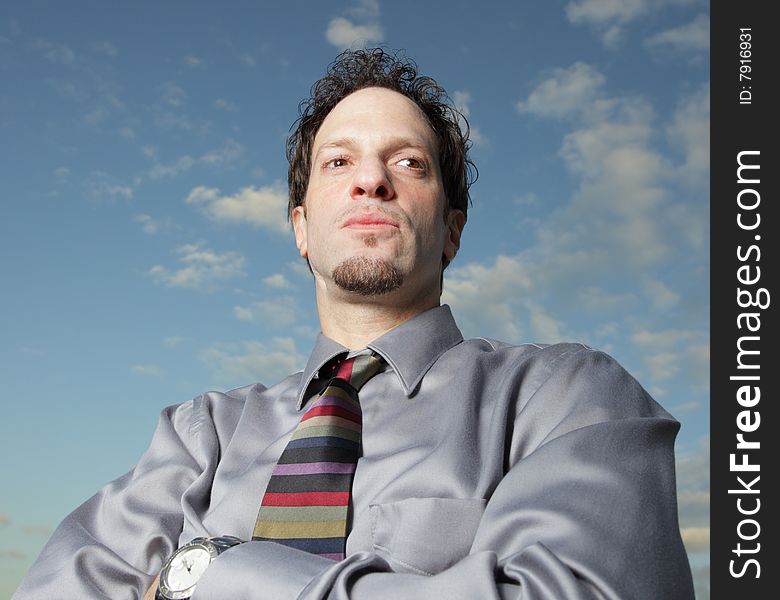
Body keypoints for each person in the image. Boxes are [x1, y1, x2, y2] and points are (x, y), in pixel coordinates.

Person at [13, 48, 694, 600]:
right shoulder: (200, 434)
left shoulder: (570, 398)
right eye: (339, 162)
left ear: (451, 231)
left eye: (408, 163)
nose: (372, 180)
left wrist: (216, 575)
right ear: (302, 228)